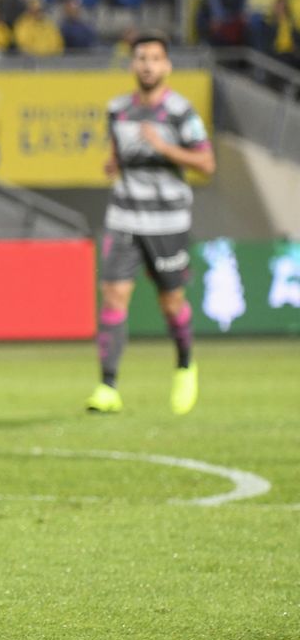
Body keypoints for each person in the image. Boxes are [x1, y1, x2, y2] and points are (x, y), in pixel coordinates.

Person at [88, 34, 214, 416]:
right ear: (132, 66)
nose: (148, 65)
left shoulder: (181, 112)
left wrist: (165, 148)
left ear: (167, 66)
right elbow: (116, 154)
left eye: (155, 58)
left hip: (168, 221)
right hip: (125, 216)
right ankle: (107, 386)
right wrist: (113, 165)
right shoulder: (118, 110)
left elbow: (207, 165)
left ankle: (185, 364)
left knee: (171, 302)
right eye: (141, 58)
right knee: (112, 296)